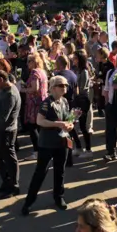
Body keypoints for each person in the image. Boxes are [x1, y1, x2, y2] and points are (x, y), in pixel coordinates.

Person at [22, 76, 74, 215]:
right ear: (53, 88)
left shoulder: (64, 101)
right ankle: (29, 201)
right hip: (47, 143)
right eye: (61, 85)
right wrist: (58, 124)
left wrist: (70, 124)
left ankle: (59, 197)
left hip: (61, 142)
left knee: (60, 171)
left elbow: (68, 118)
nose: (64, 88)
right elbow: (40, 121)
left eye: (65, 85)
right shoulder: (47, 103)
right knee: (40, 172)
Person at [0, 70, 22, 198]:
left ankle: (14, 186)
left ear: (1, 80)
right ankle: (6, 182)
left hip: (7, 131)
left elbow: (3, 117)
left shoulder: (10, 94)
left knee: (9, 157)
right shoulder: (2, 90)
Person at [22, 53, 48, 161]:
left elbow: (35, 88)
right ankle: (42, 149)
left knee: (32, 127)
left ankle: (37, 151)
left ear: (35, 62)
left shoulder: (34, 72)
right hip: (42, 101)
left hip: (34, 103)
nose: (27, 63)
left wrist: (22, 90)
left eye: (29, 61)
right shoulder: (42, 71)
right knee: (39, 127)